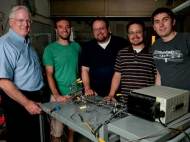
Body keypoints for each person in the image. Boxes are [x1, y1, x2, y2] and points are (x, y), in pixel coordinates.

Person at [0, 5, 48, 142]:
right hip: (20, 103)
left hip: (35, 99)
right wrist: (27, 103)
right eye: (21, 20)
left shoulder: (27, 43)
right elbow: (3, 81)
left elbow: (33, 75)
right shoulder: (5, 44)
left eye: (28, 21)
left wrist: (50, 97)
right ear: (11, 22)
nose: (26, 24)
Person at [43, 18, 81, 142]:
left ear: (70, 29)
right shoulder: (50, 49)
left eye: (67, 26)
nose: (64, 29)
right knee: (57, 132)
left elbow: (82, 70)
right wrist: (56, 94)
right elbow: (49, 74)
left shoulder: (77, 47)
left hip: (76, 94)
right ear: (56, 30)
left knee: (73, 129)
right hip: (58, 96)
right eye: (60, 26)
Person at [105, 20, 156, 101]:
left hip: (147, 102)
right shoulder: (121, 53)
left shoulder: (153, 53)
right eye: (131, 32)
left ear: (144, 33)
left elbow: (157, 78)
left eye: (138, 32)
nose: (135, 35)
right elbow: (117, 75)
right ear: (128, 35)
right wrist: (111, 94)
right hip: (125, 102)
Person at [81, 17, 128, 97]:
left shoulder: (122, 44)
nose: (99, 32)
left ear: (108, 29)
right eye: (95, 29)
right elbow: (85, 70)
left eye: (102, 28)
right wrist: (87, 88)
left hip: (118, 94)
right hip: (94, 94)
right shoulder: (87, 47)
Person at [151, 7, 190, 91]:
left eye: (165, 20)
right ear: (154, 27)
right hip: (167, 96)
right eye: (157, 22)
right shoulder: (155, 45)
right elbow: (159, 73)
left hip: (186, 96)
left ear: (173, 22)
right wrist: (157, 94)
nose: (161, 25)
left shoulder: (186, 39)